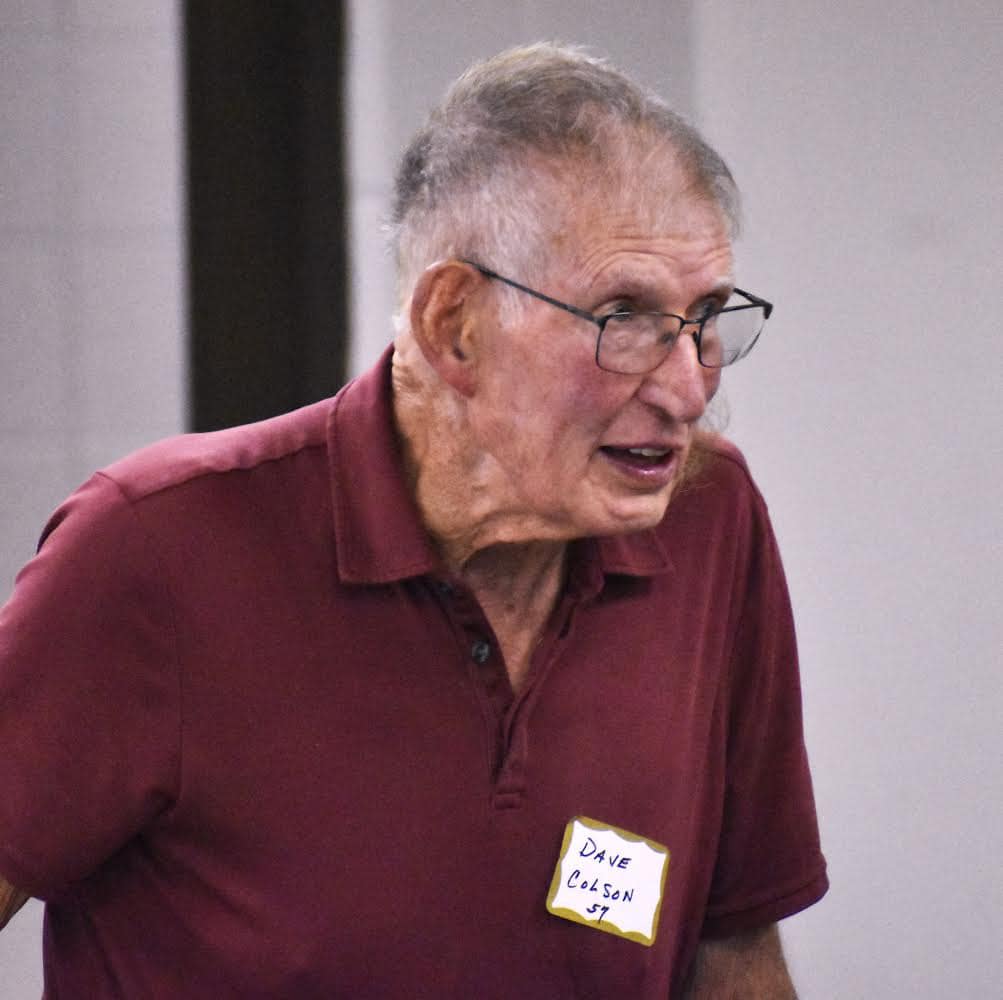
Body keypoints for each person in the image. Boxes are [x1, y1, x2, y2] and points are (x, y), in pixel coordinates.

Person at [0, 42, 826, 998]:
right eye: (623, 318)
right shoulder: (156, 548)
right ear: (454, 326)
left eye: (704, 317)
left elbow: (732, 947)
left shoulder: (707, 518)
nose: (687, 390)